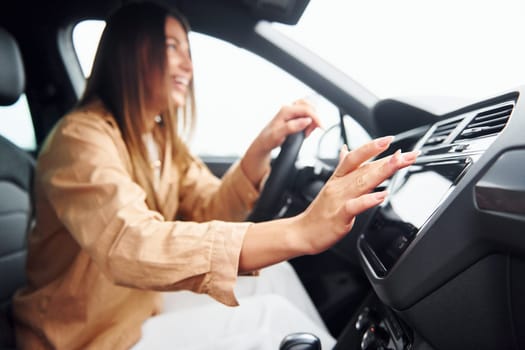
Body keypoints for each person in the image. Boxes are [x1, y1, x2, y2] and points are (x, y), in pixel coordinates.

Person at [12, 2, 419, 350]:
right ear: (130, 52)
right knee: (270, 320)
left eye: (187, 50)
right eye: (171, 47)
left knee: (274, 275)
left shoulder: (157, 138)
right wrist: (299, 231)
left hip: (134, 304)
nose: (188, 65)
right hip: (85, 335)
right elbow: (130, 244)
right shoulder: (79, 140)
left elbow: (209, 206)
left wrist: (261, 149)